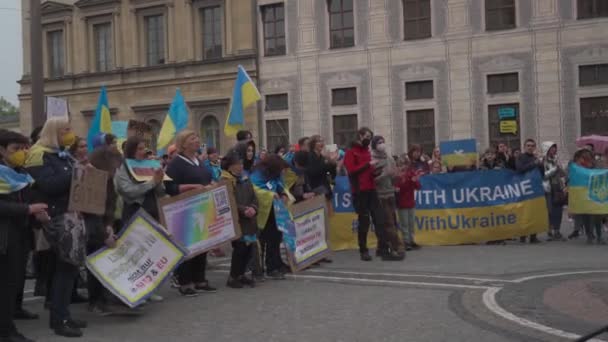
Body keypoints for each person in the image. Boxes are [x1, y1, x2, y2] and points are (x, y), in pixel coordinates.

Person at [25, 118, 87, 338]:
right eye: (66, 130)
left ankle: (64, 314)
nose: (70, 134)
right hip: (57, 217)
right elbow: (49, 185)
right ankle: (59, 319)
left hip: (71, 214)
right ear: (54, 132)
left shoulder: (61, 154)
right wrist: (75, 172)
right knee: (64, 267)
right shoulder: (39, 154)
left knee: (69, 269)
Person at [0, 129, 48, 342]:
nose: (21, 152)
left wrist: (37, 213)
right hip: (5, 237)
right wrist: (27, 210)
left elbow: (25, 200)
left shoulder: (20, 173)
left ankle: (9, 322)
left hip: (19, 234)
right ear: (2, 150)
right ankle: (7, 331)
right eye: (15, 149)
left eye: (23, 148)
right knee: (6, 285)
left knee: (14, 283)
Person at [165, 130, 217, 296]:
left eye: (197, 137)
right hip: (184, 210)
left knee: (202, 245)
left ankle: (200, 279)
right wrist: (192, 187)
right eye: (192, 138)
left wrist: (213, 184)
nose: (197, 141)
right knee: (186, 246)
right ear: (183, 143)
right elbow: (170, 188)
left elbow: (205, 179)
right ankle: (185, 282)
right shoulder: (176, 164)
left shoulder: (199, 161)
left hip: (201, 207)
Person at [85, 143, 122, 315]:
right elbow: (90, 211)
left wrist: (109, 225)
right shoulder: (89, 181)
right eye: (112, 168)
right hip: (90, 228)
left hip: (102, 225)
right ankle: (95, 301)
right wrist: (103, 233)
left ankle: (105, 297)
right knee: (94, 264)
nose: (114, 172)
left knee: (104, 262)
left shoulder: (108, 182)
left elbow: (111, 203)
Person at [343, 127, 386, 261]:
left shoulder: (367, 152)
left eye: (370, 136)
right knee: (364, 221)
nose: (369, 139)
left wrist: (376, 171)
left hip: (371, 189)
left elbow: (369, 170)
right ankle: (363, 250)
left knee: (379, 219)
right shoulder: (351, 152)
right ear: (360, 136)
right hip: (359, 191)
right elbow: (351, 171)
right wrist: (368, 165)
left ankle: (382, 247)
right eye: (367, 136)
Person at [220, 152, 259, 288]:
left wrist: (253, 208)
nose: (240, 166)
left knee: (249, 248)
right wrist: (243, 210)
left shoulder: (246, 178)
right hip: (237, 220)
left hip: (250, 219)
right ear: (230, 166)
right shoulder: (225, 180)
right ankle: (233, 276)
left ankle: (242, 274)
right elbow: (228, 201)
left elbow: (254, 196)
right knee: (240, 249)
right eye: (237, 164)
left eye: (241, 164)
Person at [250, 155, 290, 279]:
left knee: (275, 238)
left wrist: (283, 193)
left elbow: (281, 185)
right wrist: (270, 194)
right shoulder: (258, 174)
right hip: (263, 211)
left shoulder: (275, 174)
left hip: (275, 210)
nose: (282, 172)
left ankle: (274, 265)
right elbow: (254, 189)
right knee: (263, 240)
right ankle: (259, 268)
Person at [114, 137, 166, 223]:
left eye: (144, 148)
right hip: (134, 214)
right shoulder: (123, 167)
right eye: (140, 149)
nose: (144, 151)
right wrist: (152, 182)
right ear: (131, 150)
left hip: (153, 214)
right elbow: (128, 191)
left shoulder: (149, 164)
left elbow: (161, 192)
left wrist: (158, 176)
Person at [370, 136, 405, 261]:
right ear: (374, 145)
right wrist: (383, 175)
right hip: (380, 195)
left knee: (392, 221)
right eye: (379, 142)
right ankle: (397, 247)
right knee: (388, 222)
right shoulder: (372, 159)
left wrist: (397, 175)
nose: (382, 144)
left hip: (390, 193)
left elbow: (394, 177)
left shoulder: (389, 158)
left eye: (383, 142)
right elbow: (371, 180)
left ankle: (382, 247)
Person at [515, 139, 542, 244]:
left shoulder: (536, 158)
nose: (530, 147)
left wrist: (540, 164)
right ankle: (523, 235)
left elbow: (542, 173)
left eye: (532, 146)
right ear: (524, 147)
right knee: (524, 212)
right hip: (524, 188)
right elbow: (520, 169)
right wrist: (534, 164)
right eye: (528, 145)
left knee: (534, 212)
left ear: (534, 147)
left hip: (535, 188)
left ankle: (533, 236)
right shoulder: (520, 157)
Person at [541, 142, 567, 241]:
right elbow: (544, 175)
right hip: (547, 188)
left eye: (555, 148)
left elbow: (562, 174)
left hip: (557, 187)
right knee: (549, 210)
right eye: (552, 148)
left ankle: (557, 230)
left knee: (558, 210)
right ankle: (549, 230)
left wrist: (560, 169)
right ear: (547, 149)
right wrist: (554, 169)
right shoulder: (543, 161)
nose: (554, 150)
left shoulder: (556, 159)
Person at [396, 156, 421, 251]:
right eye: (401, 164)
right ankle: (406, 242)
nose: (403, 166)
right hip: (402, 203)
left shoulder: (410, 173)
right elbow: (398, 188)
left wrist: (415, 181)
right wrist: (410, 181)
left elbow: (418, 187)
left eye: (405, 164)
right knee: (404, 224)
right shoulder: (397, 176)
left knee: (411, 223)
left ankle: (411, 241)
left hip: (411, 202)